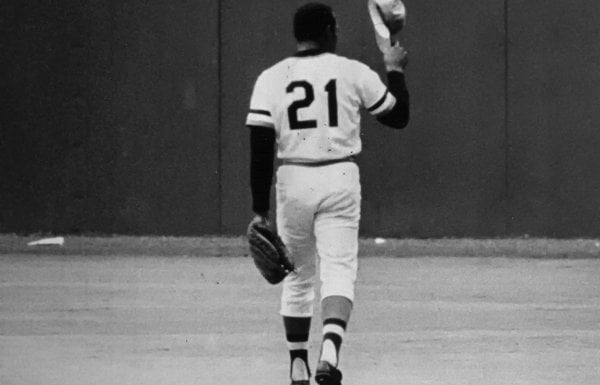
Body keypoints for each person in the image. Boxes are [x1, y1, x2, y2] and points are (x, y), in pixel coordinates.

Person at [246, 3, 409, 384]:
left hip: (293, 178)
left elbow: (260, 146)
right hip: (339, 176)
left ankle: (297, 364)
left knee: (297, 276)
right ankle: (330, 352)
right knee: (338, 268)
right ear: (331, 30)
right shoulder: (351, 71)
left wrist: (259, 210)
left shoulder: (271, 77)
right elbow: (398, 116)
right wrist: (395, 69)